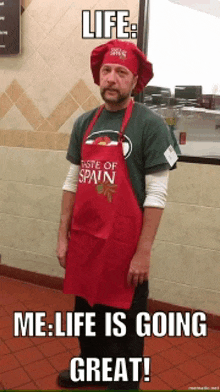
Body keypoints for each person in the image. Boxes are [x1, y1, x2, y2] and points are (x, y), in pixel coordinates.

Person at [56, 39, 179, 390]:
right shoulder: (84, 123)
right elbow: (73, 180)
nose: (112, 78)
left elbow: (157, 193)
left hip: (126, 249)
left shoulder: (151, 126)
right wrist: (62, 235)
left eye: (121, 72)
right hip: (86, 242)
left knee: (124, 323)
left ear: (135, 81)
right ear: (99, 76)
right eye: (106, 70)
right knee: (88, 317)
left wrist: (143, 253)